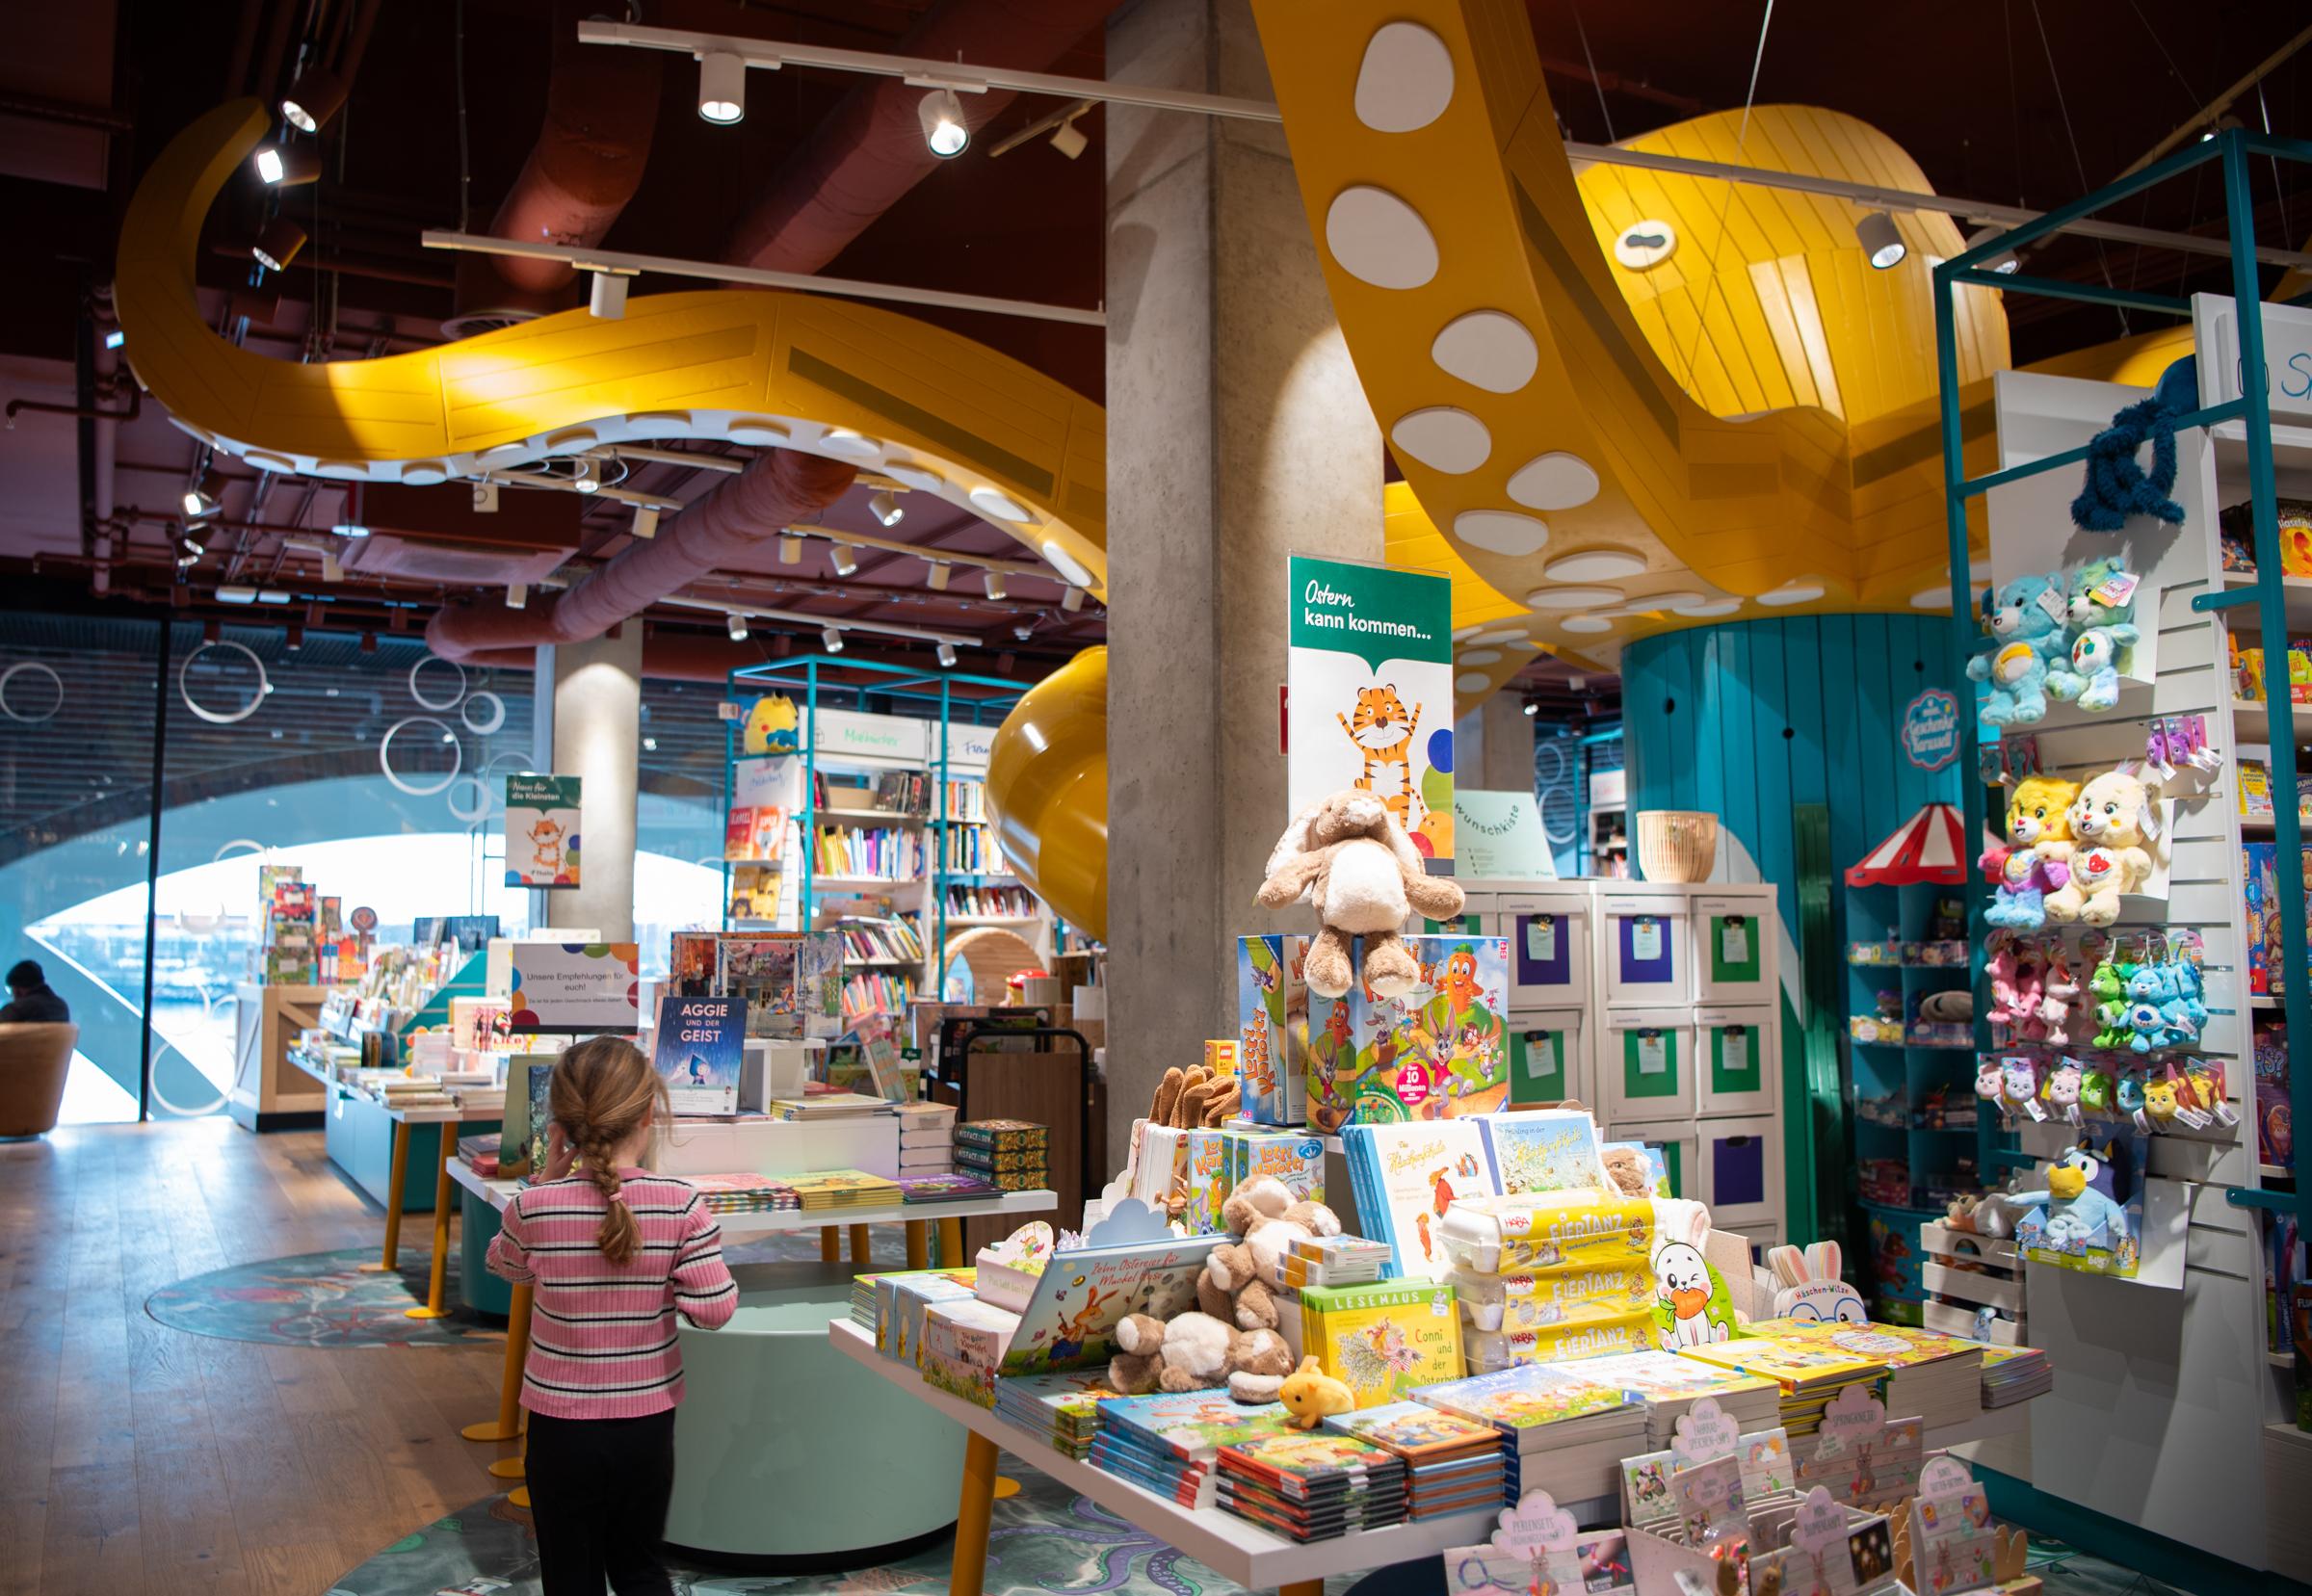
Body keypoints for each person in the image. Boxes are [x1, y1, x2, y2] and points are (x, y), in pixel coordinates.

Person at [487, 1037, 737, 1596]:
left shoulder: (533, 1206)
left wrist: (546, 1181)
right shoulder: (681, 1204)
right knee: (640, 1568)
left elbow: (505, 1264)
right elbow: (715, 1310)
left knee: (567, 1574)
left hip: (557, 1429)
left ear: (561, 1124)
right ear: (650, 1113)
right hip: (645, 1428)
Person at [1, 959, 68, 1024]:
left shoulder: (15, 1010)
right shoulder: (62, 1007)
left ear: (17, 990)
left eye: (10, 991)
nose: (12, 996)